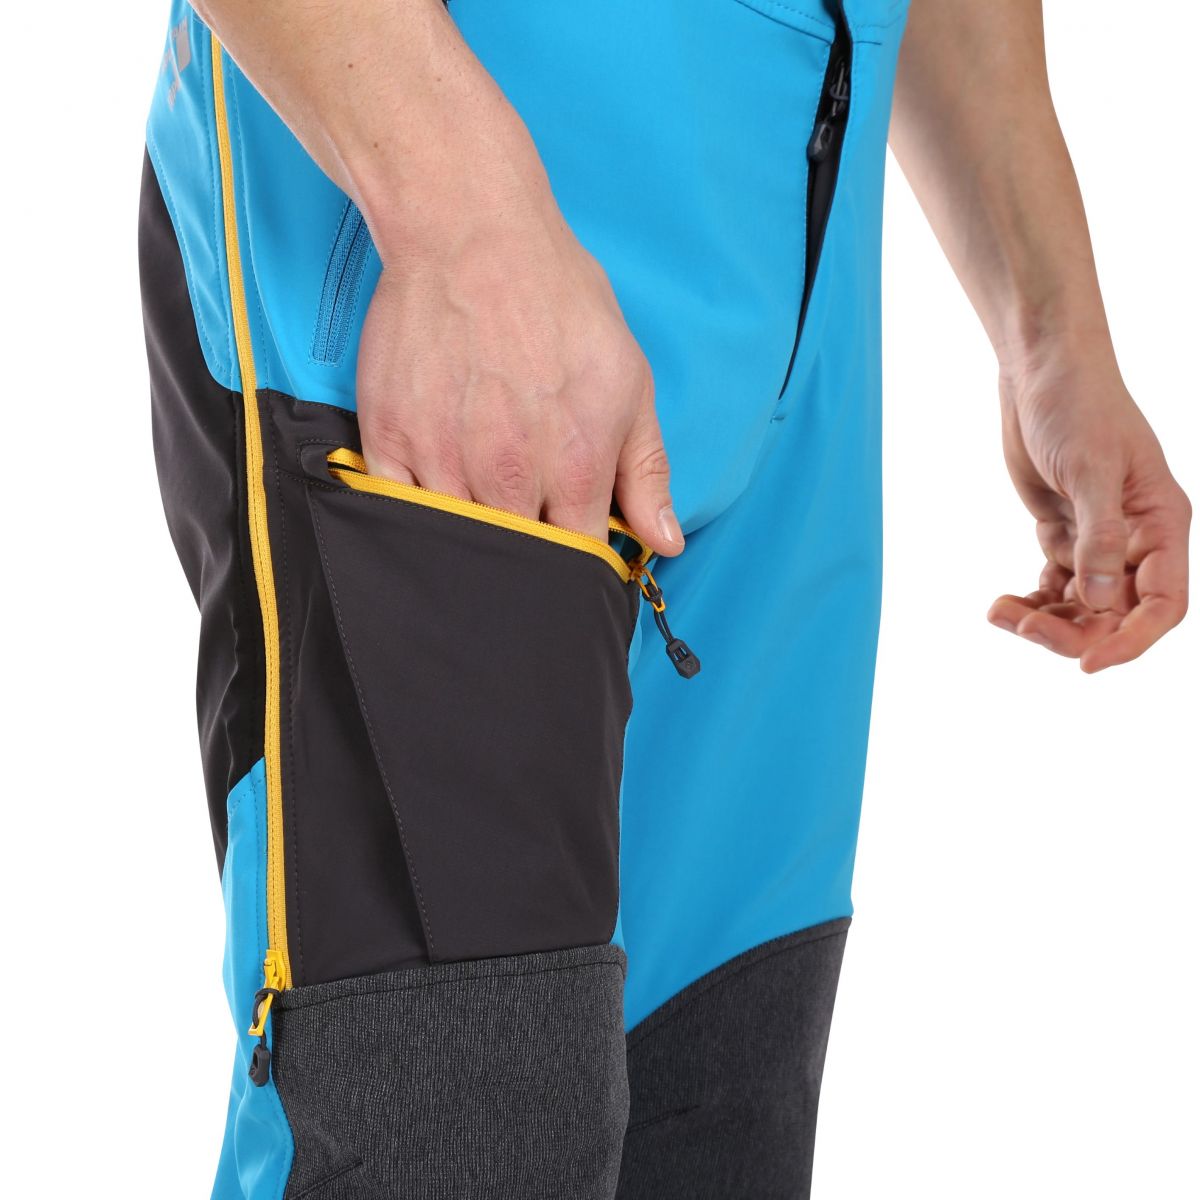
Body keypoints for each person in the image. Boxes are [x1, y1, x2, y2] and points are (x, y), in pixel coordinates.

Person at [139, 1, 1190, 1197]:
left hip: (793, 282)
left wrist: (1050, 329)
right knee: (448, 1122)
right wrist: (460, 219)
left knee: (720, 1102)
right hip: (433, 227)